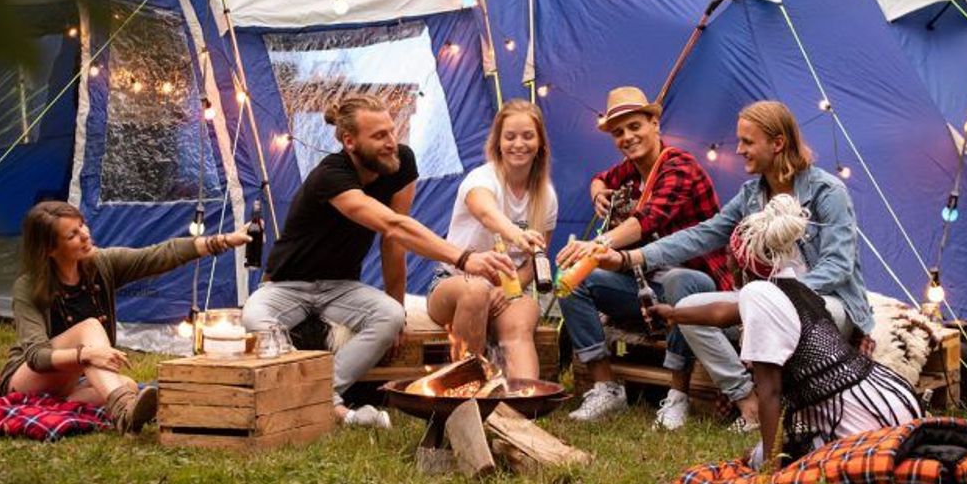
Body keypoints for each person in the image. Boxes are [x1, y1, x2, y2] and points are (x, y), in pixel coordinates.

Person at [597, 99, 876, 432]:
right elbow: (702, 235)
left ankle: (802, 409)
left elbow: (837, 266)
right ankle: (748, 401)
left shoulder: (827, 192)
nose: (739, 149)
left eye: (747, 141)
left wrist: (778, 298)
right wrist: (631, 257)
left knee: (786, 314)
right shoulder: (750, 194)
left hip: (826, 304)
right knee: (689, 309)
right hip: (765, 299)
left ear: (777, 143)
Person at [242, 94, 514, 428]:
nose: (390, 143)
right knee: (253, 315)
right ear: (350, 142)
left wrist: (398, 309)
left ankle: (320, 395)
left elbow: (394, 241)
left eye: (391, 131)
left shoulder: (400, 164)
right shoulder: (332, 176)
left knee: (387, 316)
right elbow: (393, 225)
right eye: (379, 136)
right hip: (287, 284)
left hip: (341, 287)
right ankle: (334, 406)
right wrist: (464, 257)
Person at [647, 194, 919, 469]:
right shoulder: (796, 288)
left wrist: (769, 469)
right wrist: (672, 314)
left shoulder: (757, 293)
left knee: (762, 461)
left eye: (728, 256)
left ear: (742, 263)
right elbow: (721, 312)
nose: (726, 263)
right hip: (892, 403)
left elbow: (770, 392)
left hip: (861, 422)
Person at [0, 200, 252, 434]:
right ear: (50, 248)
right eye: (73, 234)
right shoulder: (28, 287)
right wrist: (86, 355)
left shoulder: (100, 264)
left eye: (82, 226)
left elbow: (159, 255)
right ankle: (123, 413)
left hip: (70, 382)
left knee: (127, 386)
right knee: (90, 328)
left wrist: (224, 240)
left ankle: (97, 405)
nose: (85, 235)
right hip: (26, 379)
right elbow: (37, 357)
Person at [557, 86, 732, 429]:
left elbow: (647, 220)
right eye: (618, 132)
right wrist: (597, 194)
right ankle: (606, 387)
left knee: (683, 283)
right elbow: (600, 178)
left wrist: (597, 245)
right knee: (572, 281)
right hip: (644, 283)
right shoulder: (631, 169)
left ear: (655, 122)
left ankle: (678, 396)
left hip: (696, 279)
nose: (627, 137)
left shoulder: (680, 166)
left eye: (634, 126)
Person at [427, 100, 557, 379]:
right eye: (509, 137)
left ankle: (523, 403)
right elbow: (486, 213)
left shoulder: (546, 196)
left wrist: (509, 289)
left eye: (527, 136)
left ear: (541, 143)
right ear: (498, 142)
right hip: (453, 284)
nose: (518, 144)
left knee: (522, 318)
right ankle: (467, 395)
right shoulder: (481, 179)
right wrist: (516, 234)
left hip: (507, 291)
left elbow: (537, 261)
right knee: (476, 292)